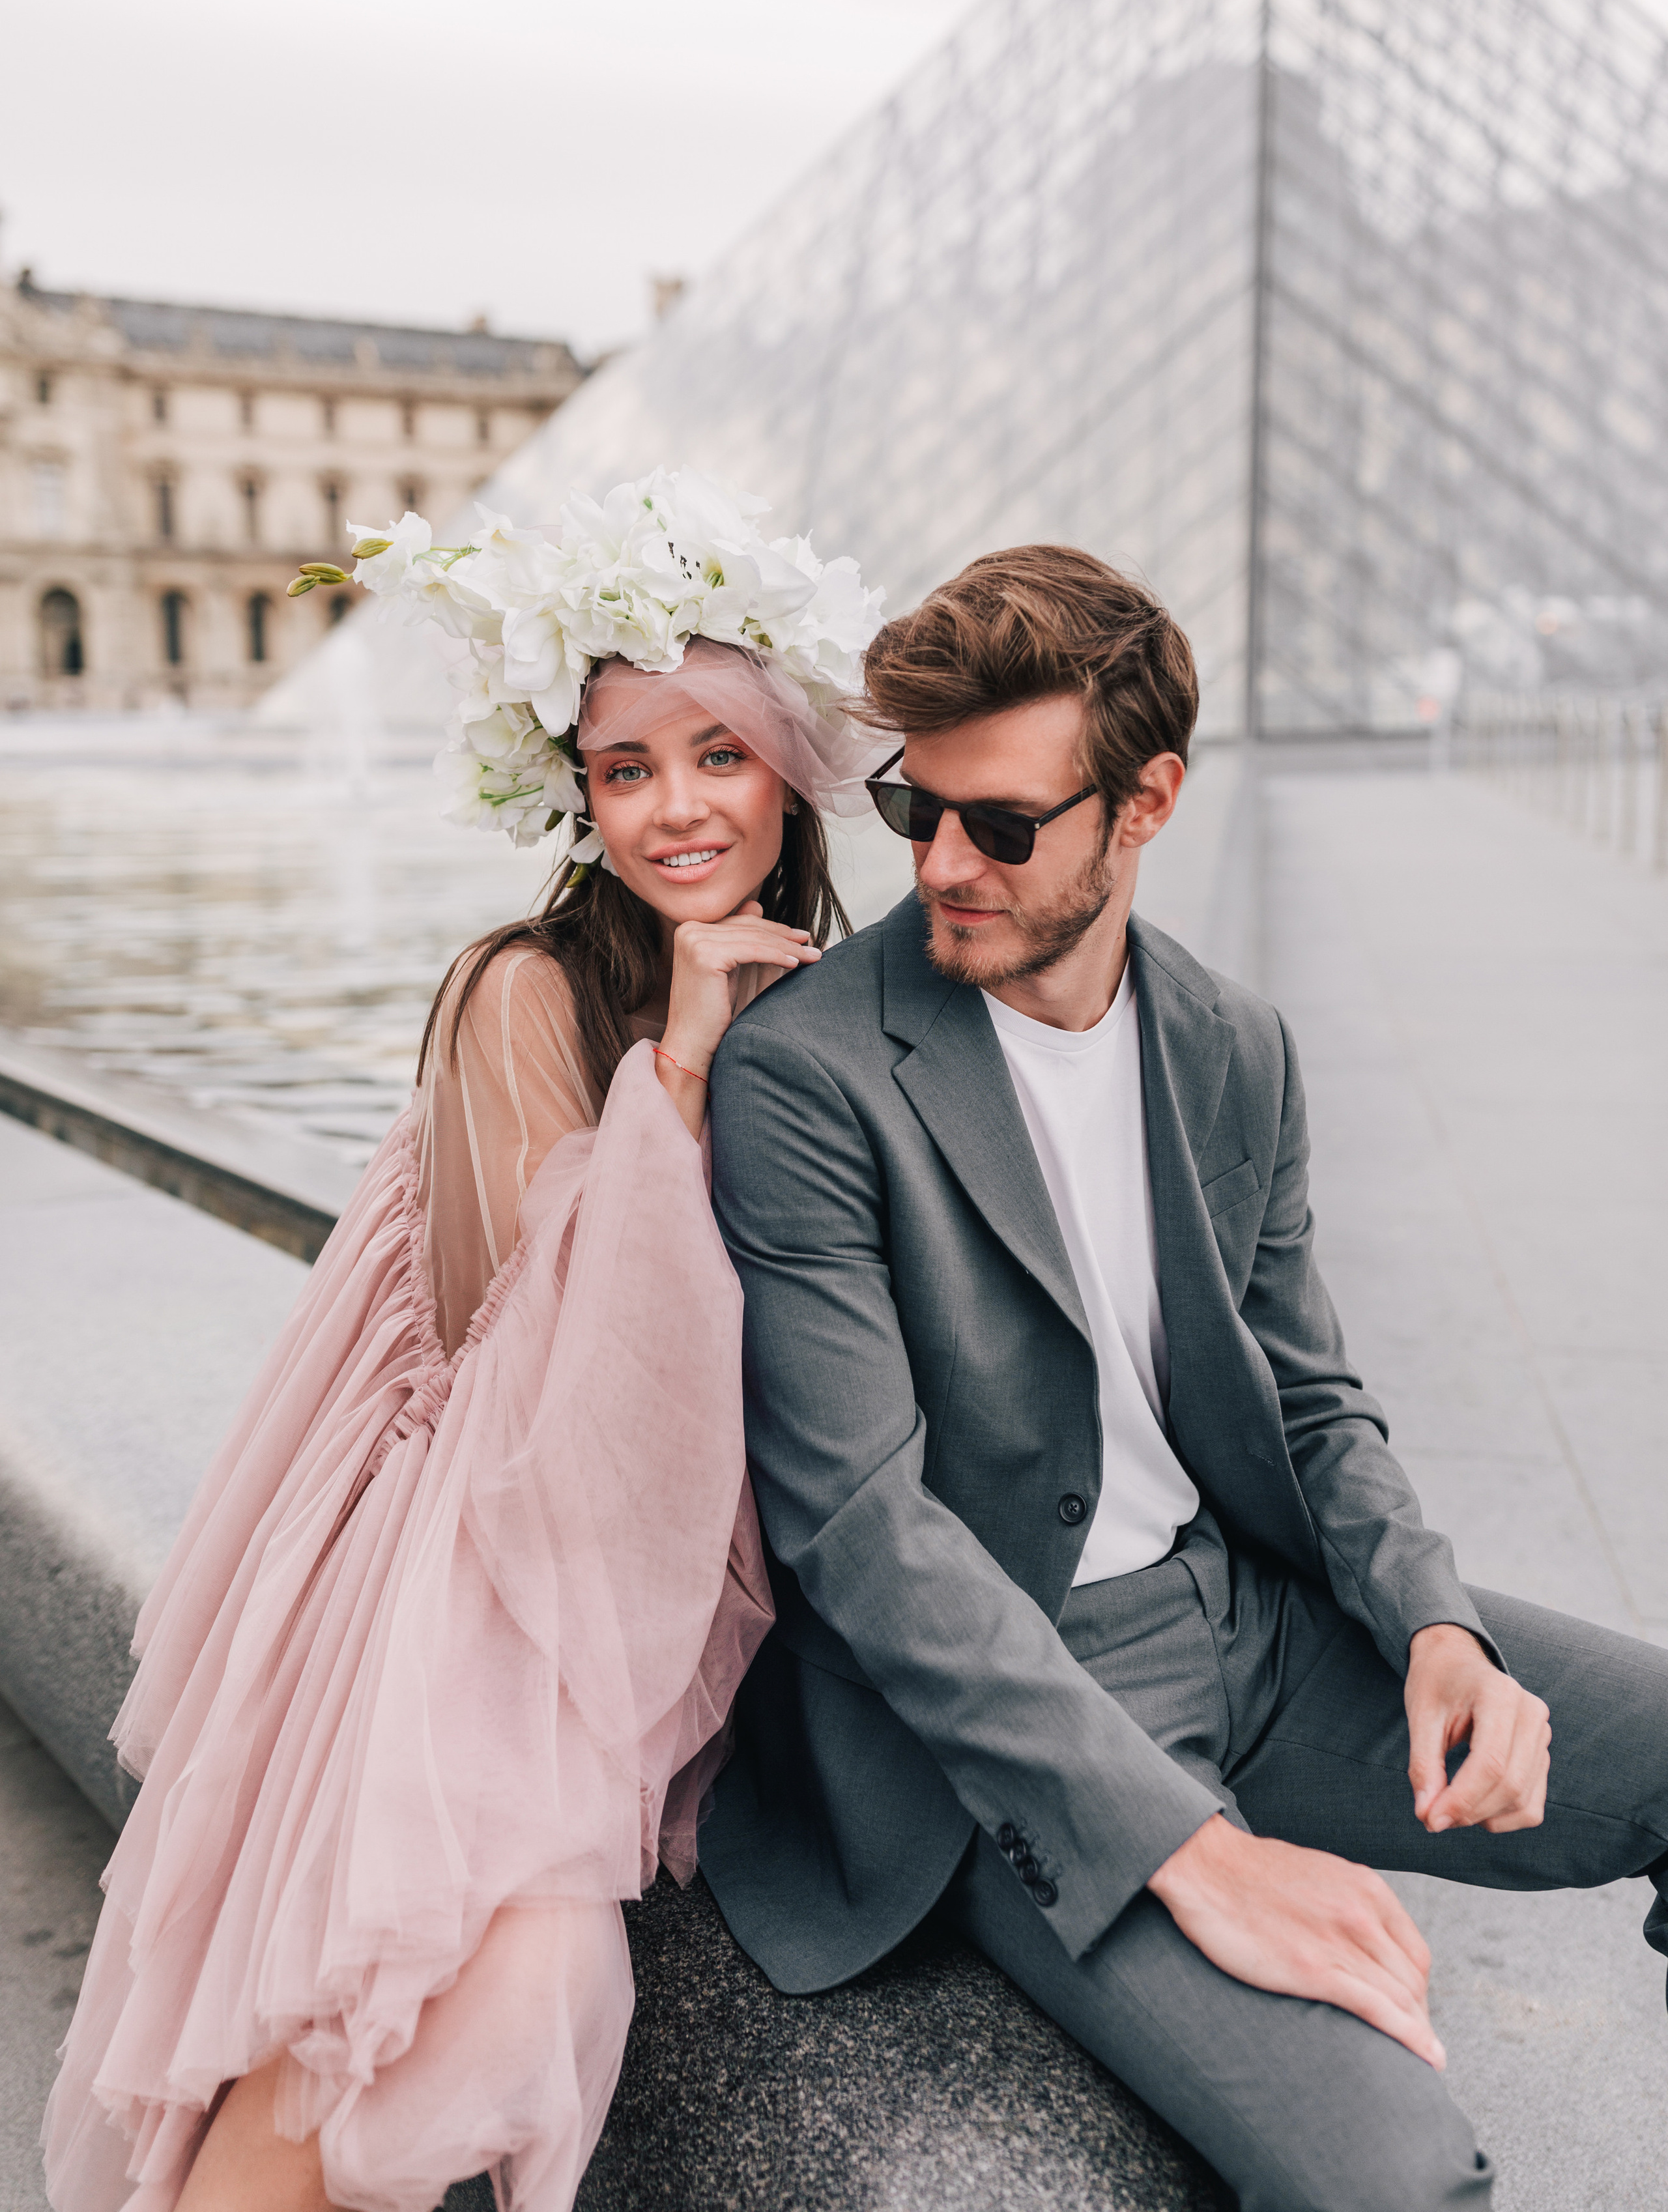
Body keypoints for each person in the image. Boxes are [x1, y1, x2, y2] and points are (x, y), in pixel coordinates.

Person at [700, 543, 1668, 2212]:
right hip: (1005, 1697)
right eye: (909, 809)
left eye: (1000, 825)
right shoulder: (806, 1075)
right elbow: (865, 1537)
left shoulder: (1231, 1045)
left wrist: (1437, 1623)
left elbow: (1306, 1396)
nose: (940, 862)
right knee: (1390, 2179)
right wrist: (1185, 1848)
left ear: (1141, 804)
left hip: (1255, 1627)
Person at [42, 473, 886, 2212]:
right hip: (476, 1593)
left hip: (666, 1570)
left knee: (477, 2005)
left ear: (790, 763)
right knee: (432, 1994)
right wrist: (675, 1087)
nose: (674, 810)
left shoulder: (837, 998)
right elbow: (534, 1389)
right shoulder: (529, 989)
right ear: (575, 792)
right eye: (625, 769)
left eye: (716, 755)